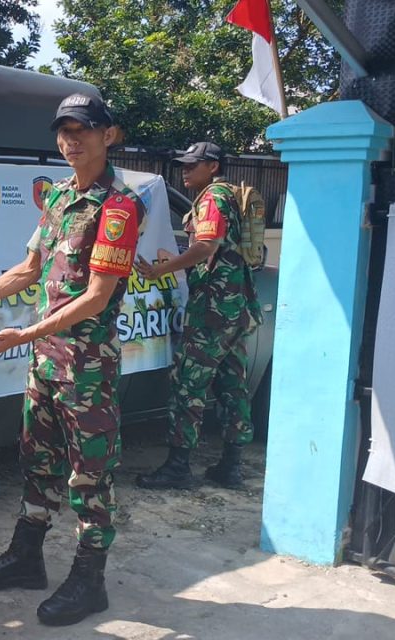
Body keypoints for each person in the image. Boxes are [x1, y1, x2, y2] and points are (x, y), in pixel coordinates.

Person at [0, 93, 144, 627]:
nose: (70, 140)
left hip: (85, 366)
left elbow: (97, 297)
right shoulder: (60, 197)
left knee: (90, 475)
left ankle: (90, 581)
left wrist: (28, 332)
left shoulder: (119, 206)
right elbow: (30, 266)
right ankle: (25, 558)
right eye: (63, 131)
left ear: (107, 135)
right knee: (36, 461)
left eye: (82, 130)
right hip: (46, 363)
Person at [135, 141, 262, 490]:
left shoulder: (212, 198)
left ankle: (178, 468)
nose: (185, 170)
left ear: (214, 167)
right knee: (232, 384)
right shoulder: (231, 197)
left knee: (187, 384)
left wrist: (162, 269)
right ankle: (232, 466)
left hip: (212, 308)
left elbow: (205, 246)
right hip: (235, 306)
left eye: (193, 164)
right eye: (183, 164)